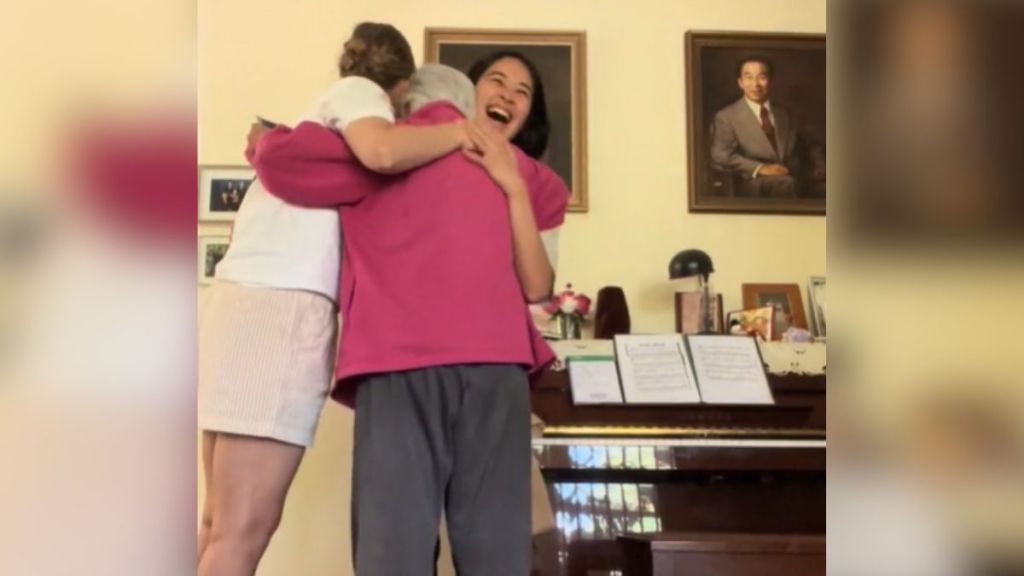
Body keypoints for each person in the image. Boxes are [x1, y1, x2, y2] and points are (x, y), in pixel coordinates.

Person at [249, 61, 569, 576]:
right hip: (497, 365)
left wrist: (259, 140)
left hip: (400, 363)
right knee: (495, 550)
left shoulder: (377, 152)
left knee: (393, 551)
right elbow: (552, 202)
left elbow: (280, 161)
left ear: (400, 106)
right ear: (468, 102)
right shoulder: (506, 162)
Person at [197, 22, 469, 576]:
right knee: (242, 531)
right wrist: (464, 136)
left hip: (244, 305)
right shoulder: (360, 94)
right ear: (401, 86)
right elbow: (384, 151)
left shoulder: (307, 138)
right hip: (283, 310)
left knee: (219, 526)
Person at [710, 56, 821, 198]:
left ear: (771, 81)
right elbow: (720, 156)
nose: (755, 84)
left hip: (791, 177)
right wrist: (761, 168)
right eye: (749, 78)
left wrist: (819, 165)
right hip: (750, 182)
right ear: (740, 83)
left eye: (762, 77)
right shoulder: (726, 117)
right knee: (786, 184)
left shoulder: (785, 114)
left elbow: (810, 143)